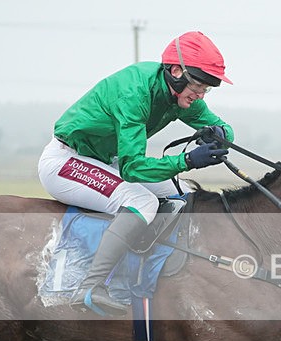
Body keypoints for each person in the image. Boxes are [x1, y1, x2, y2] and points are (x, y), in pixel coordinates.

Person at [38, 31, 233, 316]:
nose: (201, 95)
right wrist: (188, 160)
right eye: (199, 86)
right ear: (176, 72)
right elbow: (132, 168)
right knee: (143, 202)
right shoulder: (135, 93)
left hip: (105, 160)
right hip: (67, 161)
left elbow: (223, 127)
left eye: (207, 89)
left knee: (183, 194)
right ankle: (91, 287)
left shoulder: (177, 92)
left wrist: (220, 134)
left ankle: (165, 275)